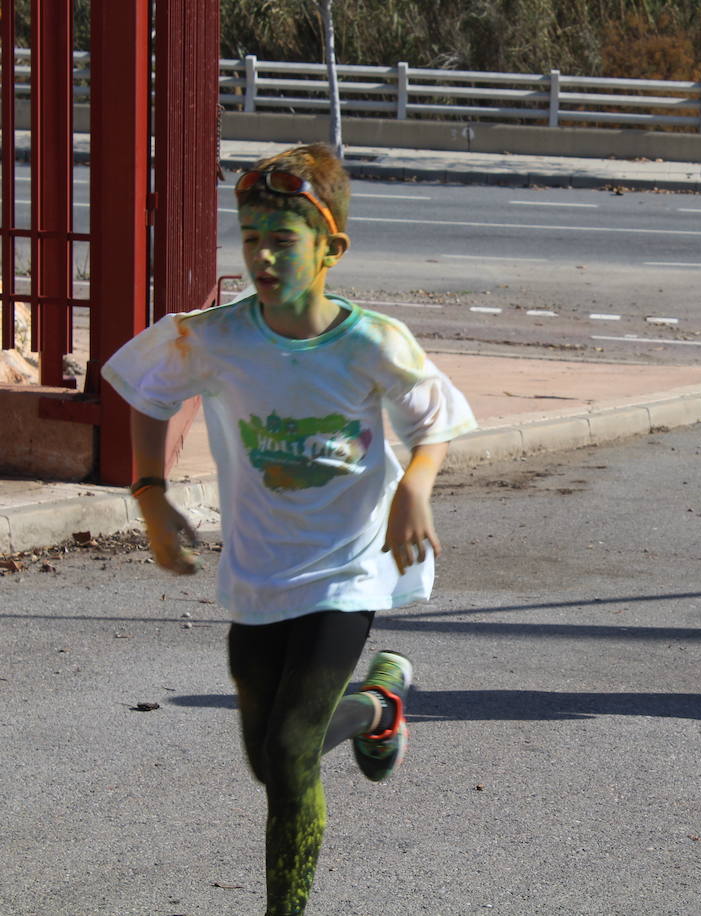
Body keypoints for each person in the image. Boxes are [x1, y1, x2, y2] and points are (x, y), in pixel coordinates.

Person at [102, 144, 476, 913]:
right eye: (250, 237)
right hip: (259, 574)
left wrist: (416, 487)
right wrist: (150, 494)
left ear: (332, 248)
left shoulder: (372, 342)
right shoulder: (216, 336)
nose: (262, 255)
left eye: (283, 239)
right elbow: (148, 393)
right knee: (267, 761)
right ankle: (380, 706)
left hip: (348, 572)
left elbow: (434, 420)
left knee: (290, 749)